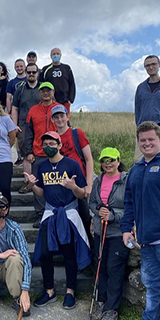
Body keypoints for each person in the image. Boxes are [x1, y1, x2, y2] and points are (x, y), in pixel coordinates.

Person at [121, 121, 160, 320]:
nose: (146, 143)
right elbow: (129, 203)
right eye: (143, 140)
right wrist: (126, 228)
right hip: (146, 242)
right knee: (153, 287)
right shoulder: (135, 170)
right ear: (138, 143)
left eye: (151, 139)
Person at [24, 131, 90, 310]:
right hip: (50, 213)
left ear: (60, 145)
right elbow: (42, 192)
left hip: (68, 213)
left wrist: (73, 186)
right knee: (45, 253)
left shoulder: (72, 164)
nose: (48, 147)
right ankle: (49, 290)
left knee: (69, 253)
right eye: (45, 144)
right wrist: (32, 185)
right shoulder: (42, 166)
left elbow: (83, 193)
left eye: (52, 144)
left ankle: (70, 291)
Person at [89, 148, 129, 320]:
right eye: (105, 160)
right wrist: (98, 211)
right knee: (101, 266)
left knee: (114, 269)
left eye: (112, 160)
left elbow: (131, 207)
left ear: (119, 161)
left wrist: (113, 215)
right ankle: (101, 302)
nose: (108, 163)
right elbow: (91, 203)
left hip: (118, 233)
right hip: (100, 231)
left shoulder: (126, 181)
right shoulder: (98, 180)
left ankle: (112, 309)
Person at [51, 104, 94, 246]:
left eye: (62, 116)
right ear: (52, 120)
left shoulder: (77, 133)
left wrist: (88, 184)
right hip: (60, 186)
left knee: (84, 218)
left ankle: (89, 252)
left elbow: (88, 159)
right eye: (56, 117)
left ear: (67, 116)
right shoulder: (52, 137)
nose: (59, 119)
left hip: (78, 184)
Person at [24, 82, 59, 228]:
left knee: (56, 184)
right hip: (38, 153)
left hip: (56, 153)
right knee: (38, 184)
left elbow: (65, 128)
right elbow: (28, 132)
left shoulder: (58, 109)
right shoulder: (33, 110)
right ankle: (40, 214)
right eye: (43, 91)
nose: (46, 93)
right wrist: (28, 152)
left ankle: (56, 213)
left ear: (53, 92)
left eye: (48, 91)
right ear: (39, 93)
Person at [11, 63, 41, 194]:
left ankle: (40, 181)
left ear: (37, 73)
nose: (31, 74)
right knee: (25, 155)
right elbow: (15, 108)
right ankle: (27, 182)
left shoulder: (42, 89)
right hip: (24, 125)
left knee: (40, 154)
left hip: (40, 125)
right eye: (29, 72)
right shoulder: (20, 90)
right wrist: (14, 125)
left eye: (33, 72)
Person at [40, 47, 75, 115]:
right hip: (50, 101)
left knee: (64, 121)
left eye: (57, 54)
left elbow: (72, 84)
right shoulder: (45, 69)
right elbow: (41, 84)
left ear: (61, 55)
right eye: (54, 54)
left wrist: (70, 99)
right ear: (50, 56)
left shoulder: (67, 68)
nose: (56, 55)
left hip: (64, 100)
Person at [6, 58, 27, 166]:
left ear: (25, 67)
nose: (19, 68)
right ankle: (20, 156)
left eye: (21, 66)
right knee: (18, 133)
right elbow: (8, 98)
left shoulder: (30, 79)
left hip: (28, 110)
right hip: (16, 110)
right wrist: (9, 111)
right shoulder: (11, 82)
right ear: (15, 68)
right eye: (17, 66)